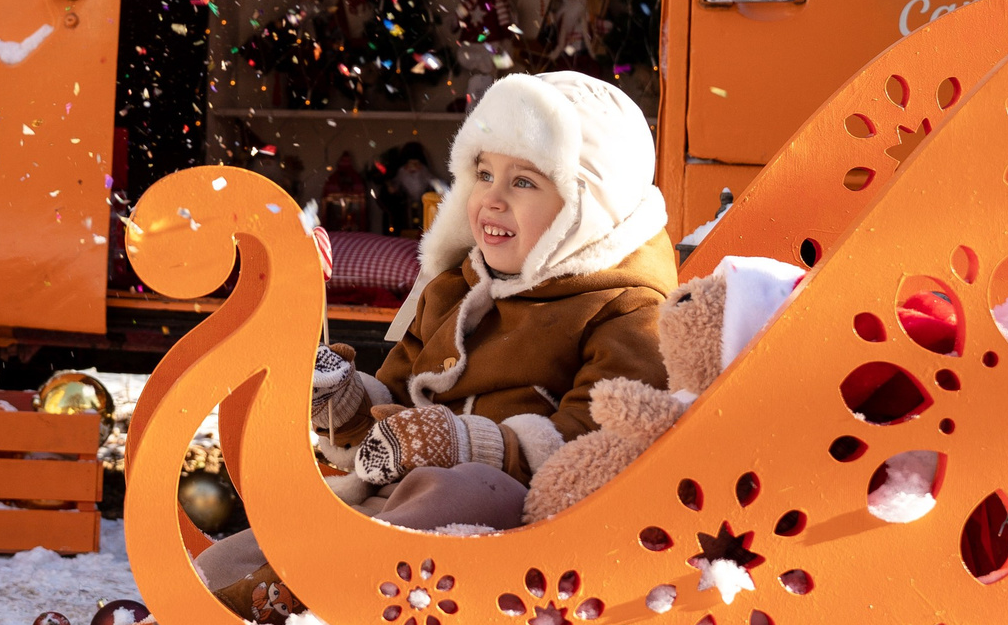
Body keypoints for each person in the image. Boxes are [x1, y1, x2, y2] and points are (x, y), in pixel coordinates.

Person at [197, 70, 674, 597]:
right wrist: (348, 405)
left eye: (523, 182)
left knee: (457, 487)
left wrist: (469, 445)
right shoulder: (456, 287)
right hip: (396, 505)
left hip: (519, 525)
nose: (491, 199)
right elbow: (397, 401)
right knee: (226, 566)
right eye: (483, 174)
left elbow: (606, 438)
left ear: (586, 208)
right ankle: (231, 613)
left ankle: (312, 590)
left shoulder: (626, 306)